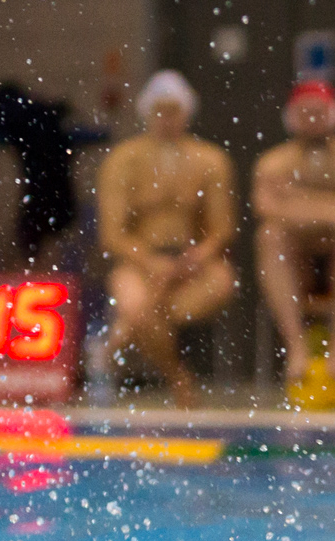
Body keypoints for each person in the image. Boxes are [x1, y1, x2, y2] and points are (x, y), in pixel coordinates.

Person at [96, 70, 237, 407]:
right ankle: (178, 377)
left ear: (187, 113)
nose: (166, 119)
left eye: (173, 111)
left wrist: (198, 256)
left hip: (193, 264)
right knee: (136, 305)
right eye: (159, 111)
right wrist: (151, 262)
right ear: (147, 113)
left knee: (220, 282)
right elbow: (112, 234)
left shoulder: (211, 160)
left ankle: (122, 335)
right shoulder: (123, 161)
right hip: (139, 261)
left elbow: (222, 229)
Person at [252, 80, 335, 406]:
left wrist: (296, 199)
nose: (312, 120)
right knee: (270, 235)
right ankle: (296, 348)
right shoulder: (273, 162)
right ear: (290, 117)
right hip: (298, 262)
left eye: (319, 112)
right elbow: (266, 209)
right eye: (305, 113)